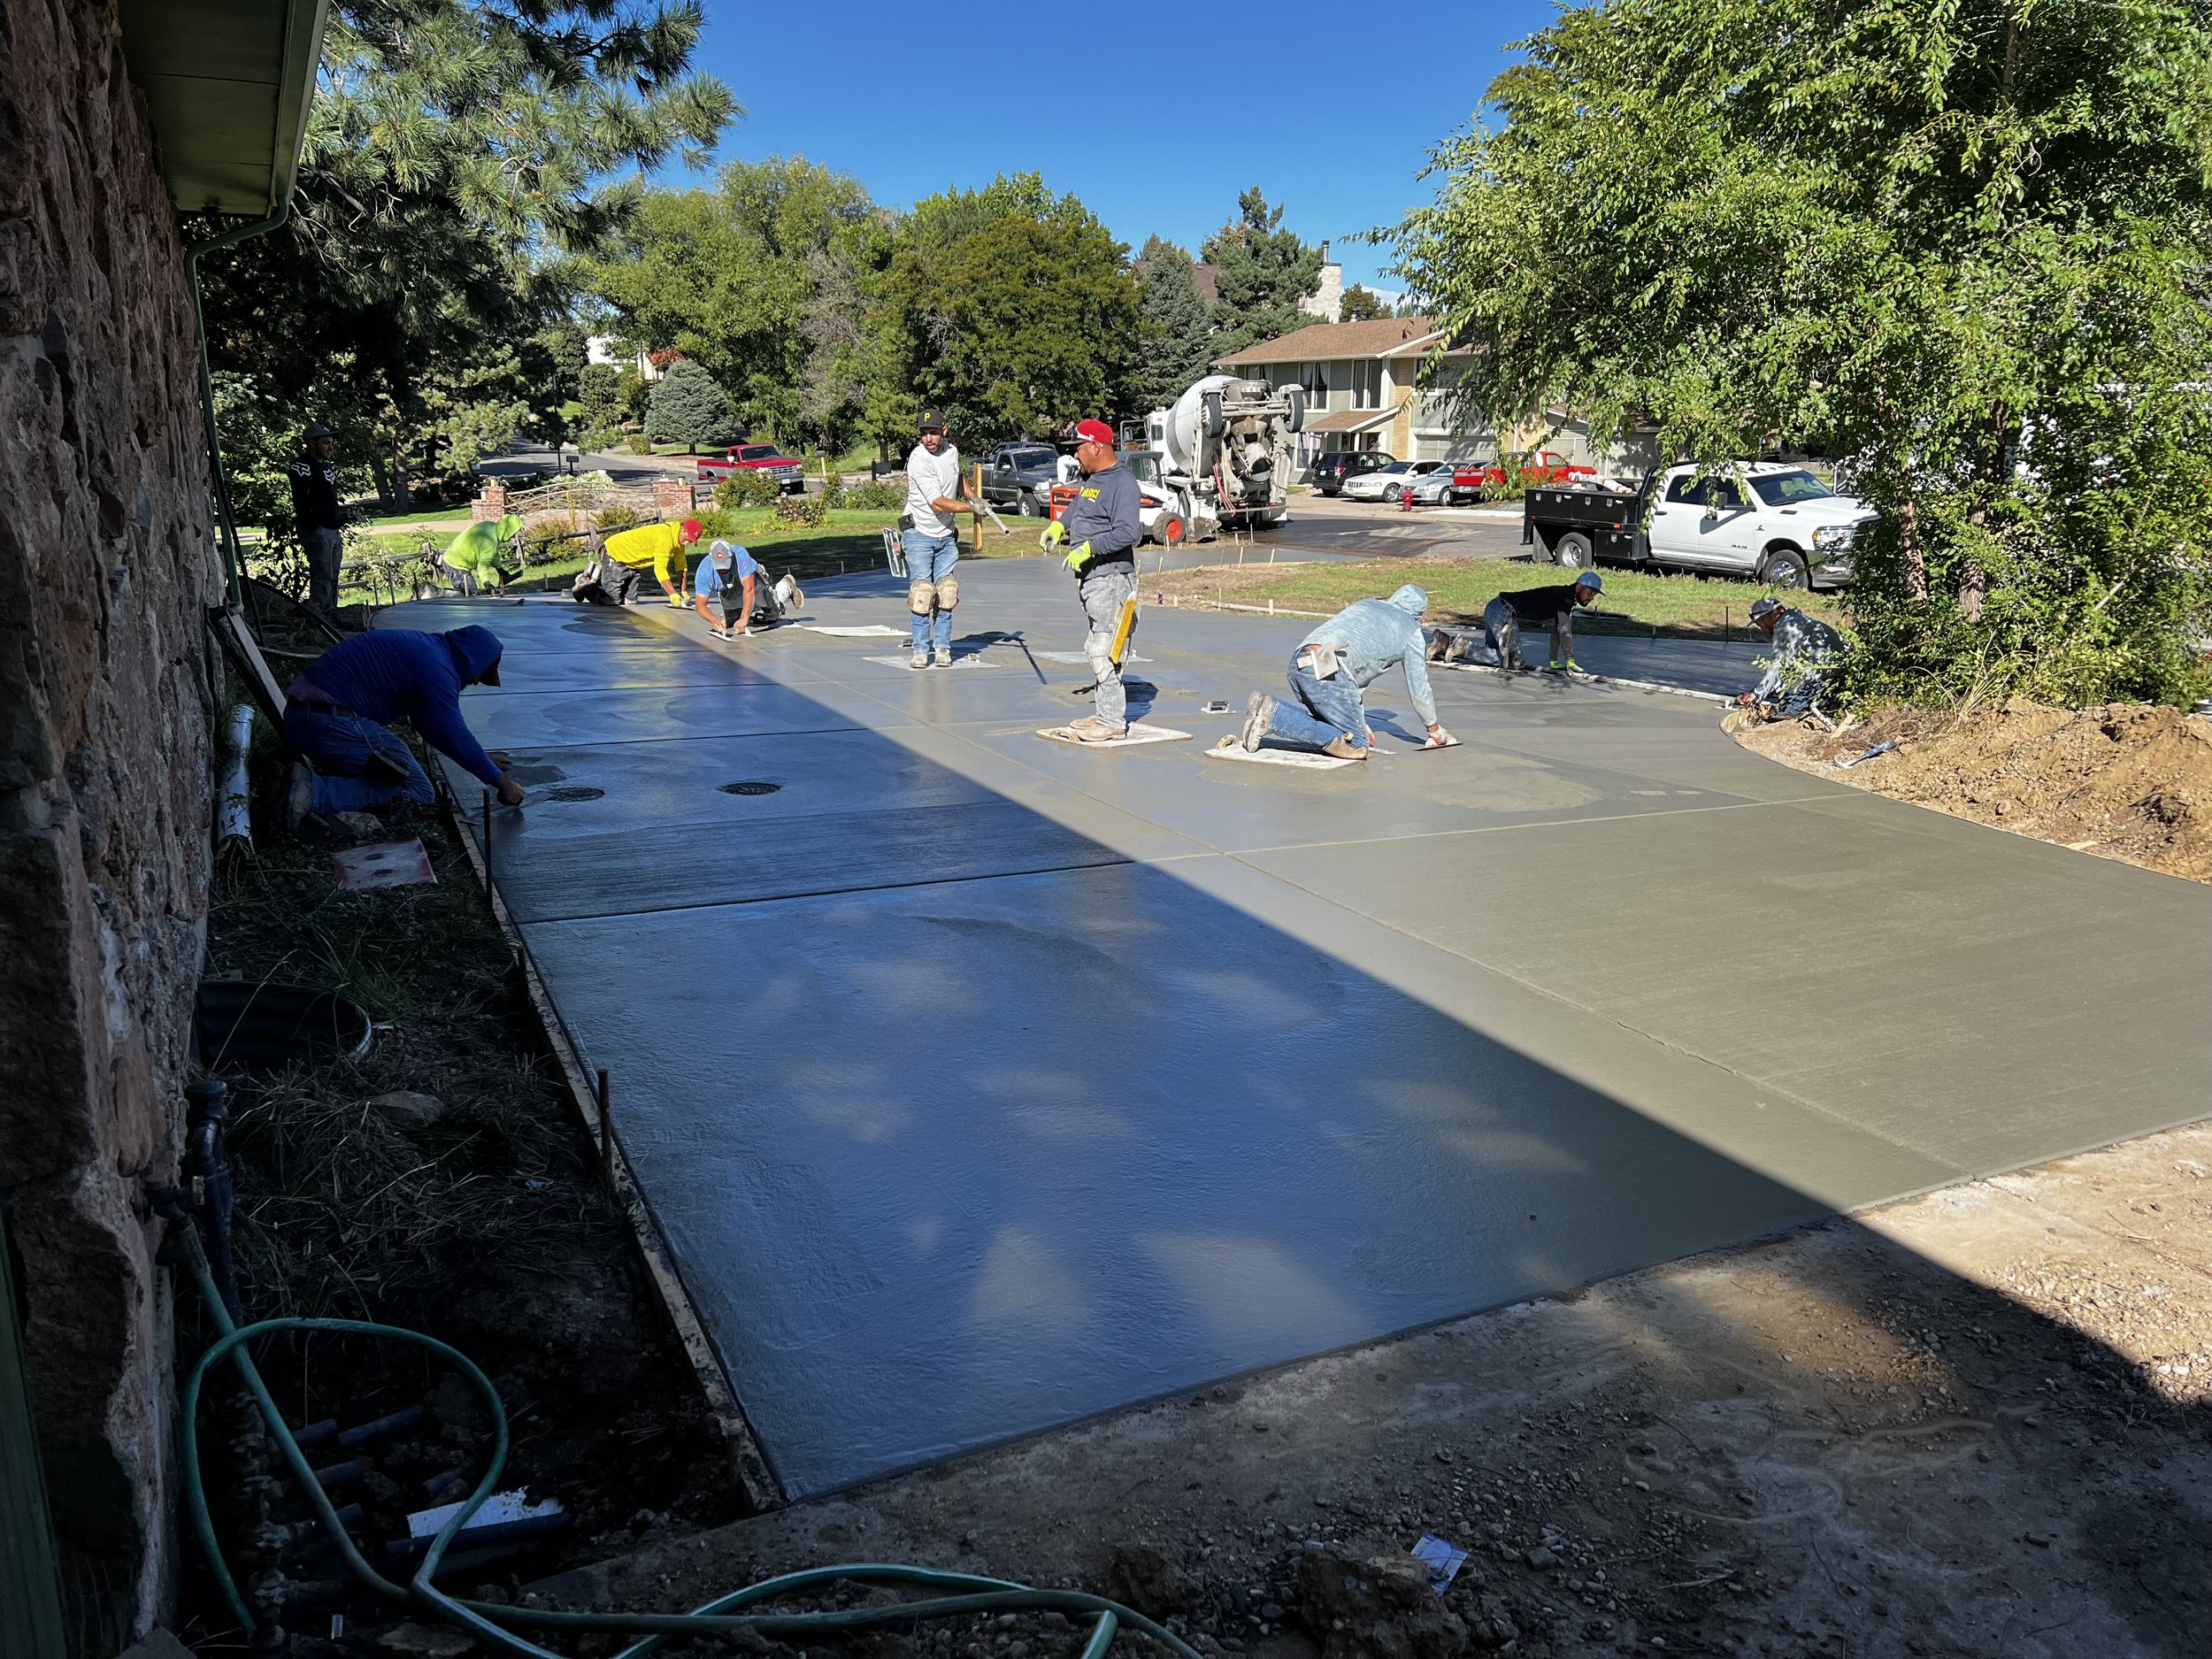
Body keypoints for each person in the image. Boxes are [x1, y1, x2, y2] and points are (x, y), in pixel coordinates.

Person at [280, 626, 524, 824]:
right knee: (419, 789)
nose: (477, 681)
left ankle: (308, 781)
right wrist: (504, 785)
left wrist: (482, 761)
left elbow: (431, 727)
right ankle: (312, 792)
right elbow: (454, 734)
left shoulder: (428, 649)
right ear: (473, 659)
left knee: (392, 770)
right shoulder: (438, 670)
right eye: (482, 673)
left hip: (306, 717)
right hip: (330, 723)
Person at [1239, 585, 1456, 759]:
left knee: (1336, 728)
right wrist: (1434, 730)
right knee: (1356, 745)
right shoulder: (1411, 631)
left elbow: (1355, 669)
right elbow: (1419, 688)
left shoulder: (1368, 603)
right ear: (1418, 614)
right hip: (1330, 668)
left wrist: (1356, 720)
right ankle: (1275, 717)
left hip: (1302, 660)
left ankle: (1266, 706)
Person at [1041, 419, 1143, 741]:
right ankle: (1104, 712)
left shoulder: (1123, 482)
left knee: (1104, 650)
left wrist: (1090, 548)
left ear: (1096, 447)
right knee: (1097, 645)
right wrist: (1059, 525)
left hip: (1112, 578)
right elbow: (1080, 506)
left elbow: (1129, 532)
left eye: (1079, 448)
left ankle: (1112, 722)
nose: (1075, 455)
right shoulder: (1096, 479)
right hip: (1094, 578)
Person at [902, 411, 985, 668]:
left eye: (933, 432)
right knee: (922, 593)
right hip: (919, 534)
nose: (928, 438)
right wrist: (970, 508)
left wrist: (972, 496)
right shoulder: (919, 459)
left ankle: (942, 649)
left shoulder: (952, 452)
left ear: (944, 431)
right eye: (924, 433)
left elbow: (957, 477)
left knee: (947, 592)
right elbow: (937, 503)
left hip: (945, 536)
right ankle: (920, 650)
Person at [1435, 573, 1604, 672]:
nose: (1591, 598)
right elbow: (1565, 630)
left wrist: (1554, 660)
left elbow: (1558, 630)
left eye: (1594, 595)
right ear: (1579, 587)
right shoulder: (1567, 599)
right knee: (1514, 662)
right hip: (1504, 613)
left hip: (1495, 607)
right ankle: (1464, 647)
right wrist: (1570, 661)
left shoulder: (1564, 596)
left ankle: (1443, 643)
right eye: (1590, 592)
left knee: (1493, 654)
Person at [1738, 596, 1844, 717]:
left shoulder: (1785, 629)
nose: (1762, 629)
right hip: (1840, 677)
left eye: (1760, 624)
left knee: (1788, 710)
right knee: (1787, 694)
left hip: (1824, 681)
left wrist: (1754, 695)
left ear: (1767, 617)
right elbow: (1788, 669)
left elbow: (1777, 668)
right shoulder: (1797, 621)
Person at [288, 423, 347, 621]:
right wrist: (312, 526)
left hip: (333, 529)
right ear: (312, 443)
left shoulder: (324, 466)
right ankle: (322, 619)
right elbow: (301, 500)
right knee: (322, 575)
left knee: (333, 574)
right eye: (326, 443)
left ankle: (332, 613)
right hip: (319, 530)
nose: (331, 447)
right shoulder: (302, 467)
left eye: (332, 443)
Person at [579, 517, 700, 606]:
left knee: (630, 601)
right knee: (611, 600)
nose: (686, 543)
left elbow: (681, 567)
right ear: (682, 529)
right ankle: (584, 586)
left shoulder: (679, 542)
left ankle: (601, 583)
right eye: (688, 538)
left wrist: (684, 591)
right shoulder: (665, 536)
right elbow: (660, 569)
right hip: (616, 553)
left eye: (690, 541)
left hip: (633, 562)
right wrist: (672, 594)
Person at [693, 540, 803, 638]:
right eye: (718, 567)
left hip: (754, 583)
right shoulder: (704, 571)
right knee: (733, 622)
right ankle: (743, 611)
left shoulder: (740, 555)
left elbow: (749, 589)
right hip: (729, 591)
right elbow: (700, 605)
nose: (722, 570)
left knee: (773, 615)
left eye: (725, 566)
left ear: (731, 557)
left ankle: (786, 586)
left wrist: (744, 618)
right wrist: (714, 621)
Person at [442, 513, 521, 595]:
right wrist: (487, 584)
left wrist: (500, 569)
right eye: (513, 533)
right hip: (454, 564)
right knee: (473, 596)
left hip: (451, 558)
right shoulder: (490, 543)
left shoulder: (491, 528)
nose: (513, 536)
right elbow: (482, 566)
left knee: (470, 596)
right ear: (508, 530)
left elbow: (493, 554)